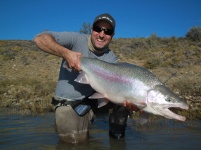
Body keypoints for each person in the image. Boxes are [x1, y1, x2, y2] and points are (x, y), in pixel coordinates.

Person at [33, 13, 140, 144]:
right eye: (98, 28)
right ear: (91, 29)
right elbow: (39, 39)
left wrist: (133, 101)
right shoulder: (75, 39)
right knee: (76, 143)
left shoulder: (111, 58)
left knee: (125, 100)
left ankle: (117, 137)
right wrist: (66, 53)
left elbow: (118, 86)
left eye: (108, 31)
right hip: (70, 104)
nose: (101, 34)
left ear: (112, 35)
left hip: (94, 102)